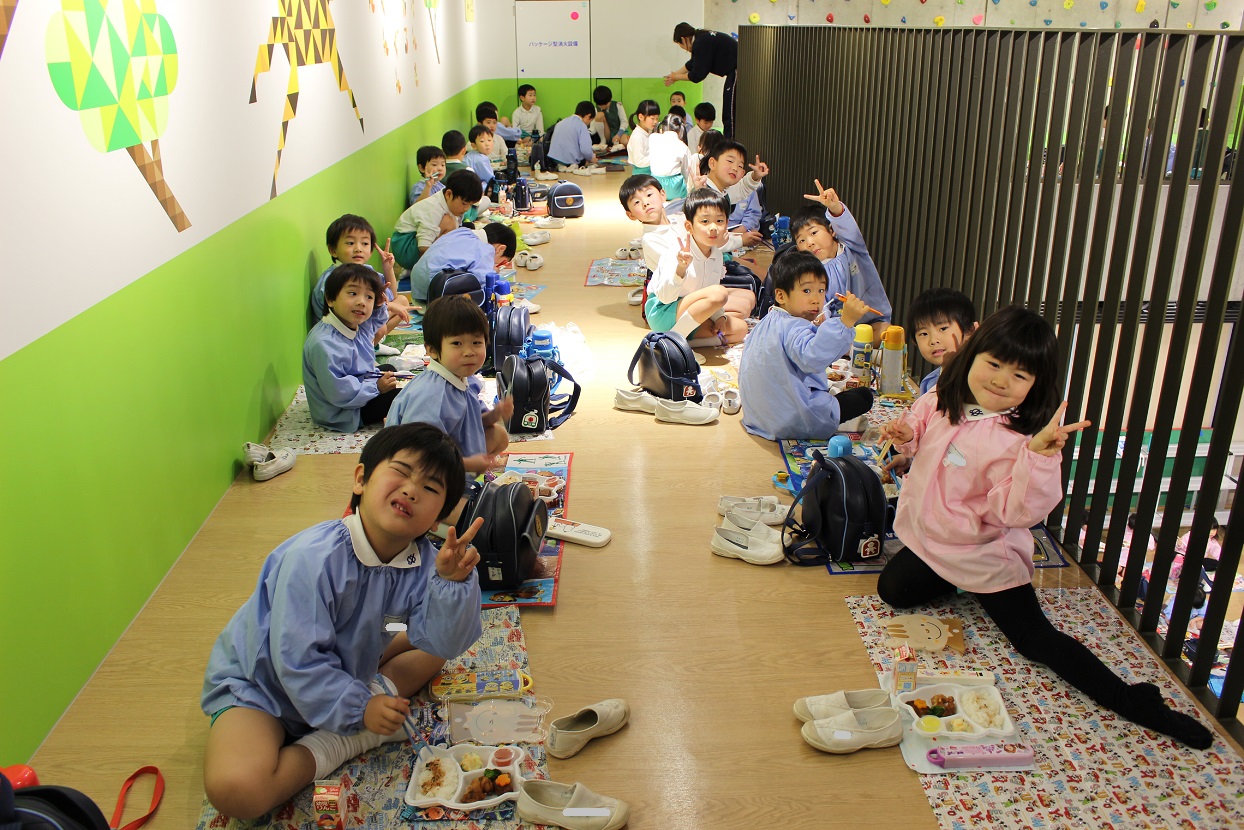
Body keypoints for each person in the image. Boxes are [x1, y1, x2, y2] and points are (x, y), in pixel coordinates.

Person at [876, 306, 1211, 750]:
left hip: (982, 556)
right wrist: (906, 435)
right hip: (932, 542)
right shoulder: (942, 398)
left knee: (1034, 641)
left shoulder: (1020, 441)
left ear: (1034, 386)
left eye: (1019, 375)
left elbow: (1018, 513)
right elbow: (920, 423)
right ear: (973, 355)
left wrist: (1038, 458)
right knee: (892, 591)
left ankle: (1133, 700)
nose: (1001, 380)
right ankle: (955, 583)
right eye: (994, 364)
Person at [201, 422, 485, 819]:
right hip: (265, 687)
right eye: (401, 472)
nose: (411, 490)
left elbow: (444, 639)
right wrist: (361, 710)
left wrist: (451, 583)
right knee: (237, 791)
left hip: (351, 662)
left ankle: (363, 698)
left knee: (436, 645)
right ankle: (340, 740)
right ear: (360, 479)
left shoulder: (423, 564)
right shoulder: (312, 558)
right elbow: (296, 660)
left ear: (438, 516)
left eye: (430, 488)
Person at [739, 251, 876, 440]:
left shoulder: (768, 320)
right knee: (864, 397)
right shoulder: (794, 326)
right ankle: (840, 423)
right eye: (806, 291)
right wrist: (846, 322)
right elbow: (813, 358)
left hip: (759, 418)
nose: (816, 299)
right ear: (781, 295)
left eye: (821, 290)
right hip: (793, 421)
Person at [387, 295, 512, 480]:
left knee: (499, 435)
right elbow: (420, 455)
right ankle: (458, 478)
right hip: (415, 472)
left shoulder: (461, 378)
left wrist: (496, 414)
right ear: (432, 350)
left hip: (448, 447)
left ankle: (462, 472)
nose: (469, 352)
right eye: (457, 343)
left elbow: (473, 421)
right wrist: (469, 464)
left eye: (476, 342)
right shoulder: (431, 396)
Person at [646, 188, 752, 345]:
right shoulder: (677, 251)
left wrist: (719, 317)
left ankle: (682, 345)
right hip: (663, 311)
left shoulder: (716, 255)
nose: (713, 227)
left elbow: (710, 296)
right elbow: (665, 297)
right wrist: (680, 269)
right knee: (719, 293)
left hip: (691, 312)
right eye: (705, 221)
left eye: (719, 221)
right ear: (689, 226)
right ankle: (674, 343)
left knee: (739, 329)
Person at [304, 265, 401, 433]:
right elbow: (339, 393)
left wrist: (379, 305)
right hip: (341, 411)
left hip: (357, 387)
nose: (361, 302)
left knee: (390, 370)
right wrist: (376, 388)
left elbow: (376, 322)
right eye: (352, 293)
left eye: (369, 296)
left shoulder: (354, 323)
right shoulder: (324, 343)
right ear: (330, 299)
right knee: (399, 396)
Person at [795, 181, 893, 342]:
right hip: (838, 328)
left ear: (832, 230)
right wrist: (821, 316)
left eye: (813, 233)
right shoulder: (811, 271)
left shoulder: (852, 248)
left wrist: (835, 208)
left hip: (870, 322)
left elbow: (849, 229)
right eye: (801, 240)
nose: (809, 243)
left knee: (887, 333)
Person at [310, 216, 410, 356]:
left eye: (365, 243)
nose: (358, 249)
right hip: (340, 334)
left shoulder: (365, 271)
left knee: (402, 302)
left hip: (359, 323)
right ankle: (367, 347)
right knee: (382, 325)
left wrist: (388, 268)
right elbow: (348, 313)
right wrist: (388, 307)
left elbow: (391, 296)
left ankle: (373, 344)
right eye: (350, 243)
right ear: (333, 250)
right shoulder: (334, 279)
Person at [391, 169, 483, 270]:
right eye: (464, 203)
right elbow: (423, 246)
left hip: (413, 242)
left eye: (470, 204)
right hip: (404, 246)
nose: (467, 209)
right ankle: (419, 267)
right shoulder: (433, 208)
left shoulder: (448, 201)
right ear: (448, 194)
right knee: (449, 223)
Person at [408, 223, 516, 303]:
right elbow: (484, 280)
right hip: (438, 294)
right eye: (501, 263)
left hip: (417, 289)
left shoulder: (462, 231)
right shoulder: (485, 248)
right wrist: (493, 271)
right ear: (501, 249)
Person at [664, 23, 738, 138]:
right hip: (733, 72)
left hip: (737, 71)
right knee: (728, 112)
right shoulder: (701, 38)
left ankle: (730, 142)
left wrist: (676, 77)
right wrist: (674, 76)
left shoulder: (701, 43)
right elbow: (692, 63)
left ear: (683, 39)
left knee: (729, 113)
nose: (684, 49)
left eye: (680, 45)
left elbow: (697, 75)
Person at [908, 287, 979, 395]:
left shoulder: (976, 382)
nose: (933, 340)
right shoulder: (929, 382)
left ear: (970, 331)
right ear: (914, 341)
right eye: (924, 334)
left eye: (943, 328)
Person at [699, 139, 768, 248]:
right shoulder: (703, 194)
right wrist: (741, 240)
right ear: (712, 163)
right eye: (730, 161)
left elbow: (742, 188)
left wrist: (755, 176)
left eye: (740, 166)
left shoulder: (722, 191)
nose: (735, 168)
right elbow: (709, 241)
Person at [649, 114, 692, 200]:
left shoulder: (652, 138)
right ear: (680, 131)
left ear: (661, 128)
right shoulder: (682, 146)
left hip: (655, 185)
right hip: (675, 188)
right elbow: (686, 171)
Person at [547, 101, 598, 172]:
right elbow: (585, 150)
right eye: (591, 120)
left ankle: (561, 165)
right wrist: (591, 158)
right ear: (588, 116)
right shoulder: (582, 125)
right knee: (587, 162)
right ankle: (571, 165)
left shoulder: (561, 122)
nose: (589, 123)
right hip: (569, 159)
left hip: (553, 158)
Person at [627, 100, 661, 176]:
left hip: (650, 170)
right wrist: (657, 157)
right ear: (641, 117)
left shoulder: (649, 131)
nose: (655, 122)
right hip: (641, 174)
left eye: (657, 118)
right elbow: (639, 161)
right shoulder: (637, 136)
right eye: (652, 118)